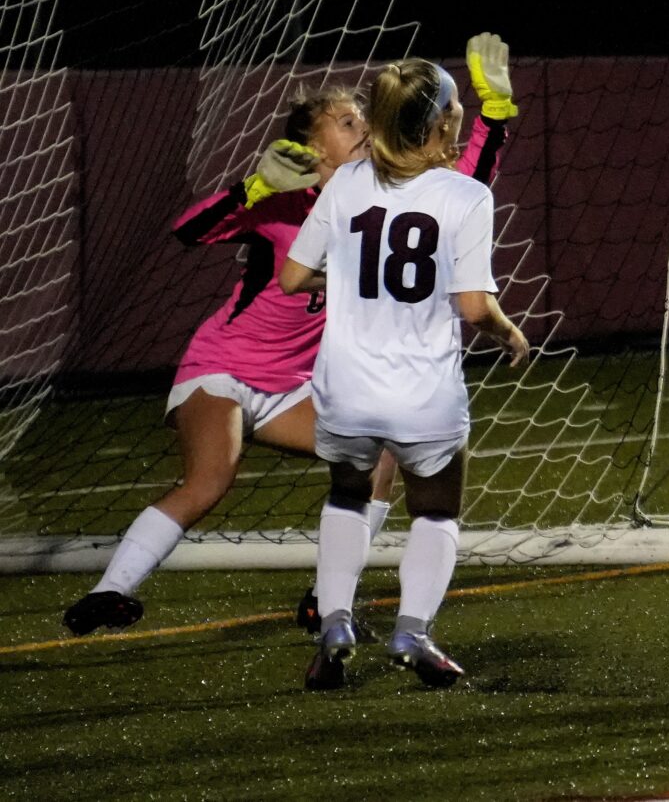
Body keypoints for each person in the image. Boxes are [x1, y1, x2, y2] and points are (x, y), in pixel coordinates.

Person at [62, 40, 516, 638]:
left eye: (362, 116)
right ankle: (110, 592)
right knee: (210, 479)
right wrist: (252, 186)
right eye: (346, 121)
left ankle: (328, 599)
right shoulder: (281, 202)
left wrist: (496, 112)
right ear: (312, 147)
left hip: (293, 389)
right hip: (222, 369)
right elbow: (187, 231)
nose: (361, 124)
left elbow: (465, 179)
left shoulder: (374, 191)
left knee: (381, 455)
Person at [280, 53, 532, 689]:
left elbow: (290, 278)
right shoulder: (467, 195)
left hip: (346, 386)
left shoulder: (346, 182)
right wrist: (509, 333)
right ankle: (412, 630)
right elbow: (475, 307)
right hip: (423, 391)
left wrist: (349, 280)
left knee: (345, 496)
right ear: (443, 124)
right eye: (456, 111)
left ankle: (334, 623)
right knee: (437, 513)